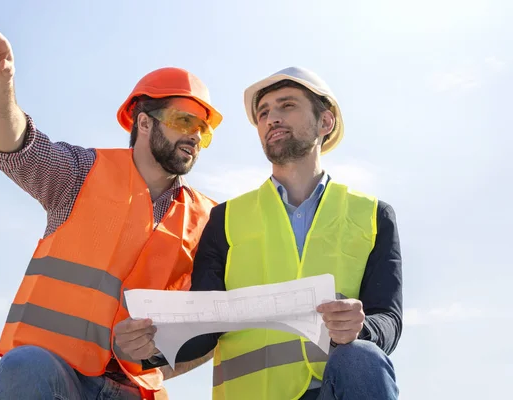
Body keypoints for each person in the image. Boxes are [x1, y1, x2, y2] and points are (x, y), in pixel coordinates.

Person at [0, 15, 223, 400]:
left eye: (203, 129)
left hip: (137, 390)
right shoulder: (81, 173)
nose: (194, 136)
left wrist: (158, 361)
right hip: (55, 375)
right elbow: (17, 148)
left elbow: (217, 327)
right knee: (24, 366)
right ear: (145, 123)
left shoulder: (210, 220)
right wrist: (0, 86)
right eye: (183, 120)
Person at [121, 66, 403, 400]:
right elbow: (204, 328)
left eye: (287, 106)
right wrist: (151, 345)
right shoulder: (224, 219)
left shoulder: (373, 215)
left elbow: (388, 318)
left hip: (336, 388)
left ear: (324, 122)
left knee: (362, 358)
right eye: (264, 113)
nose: (272, 119)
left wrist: (363, 327)